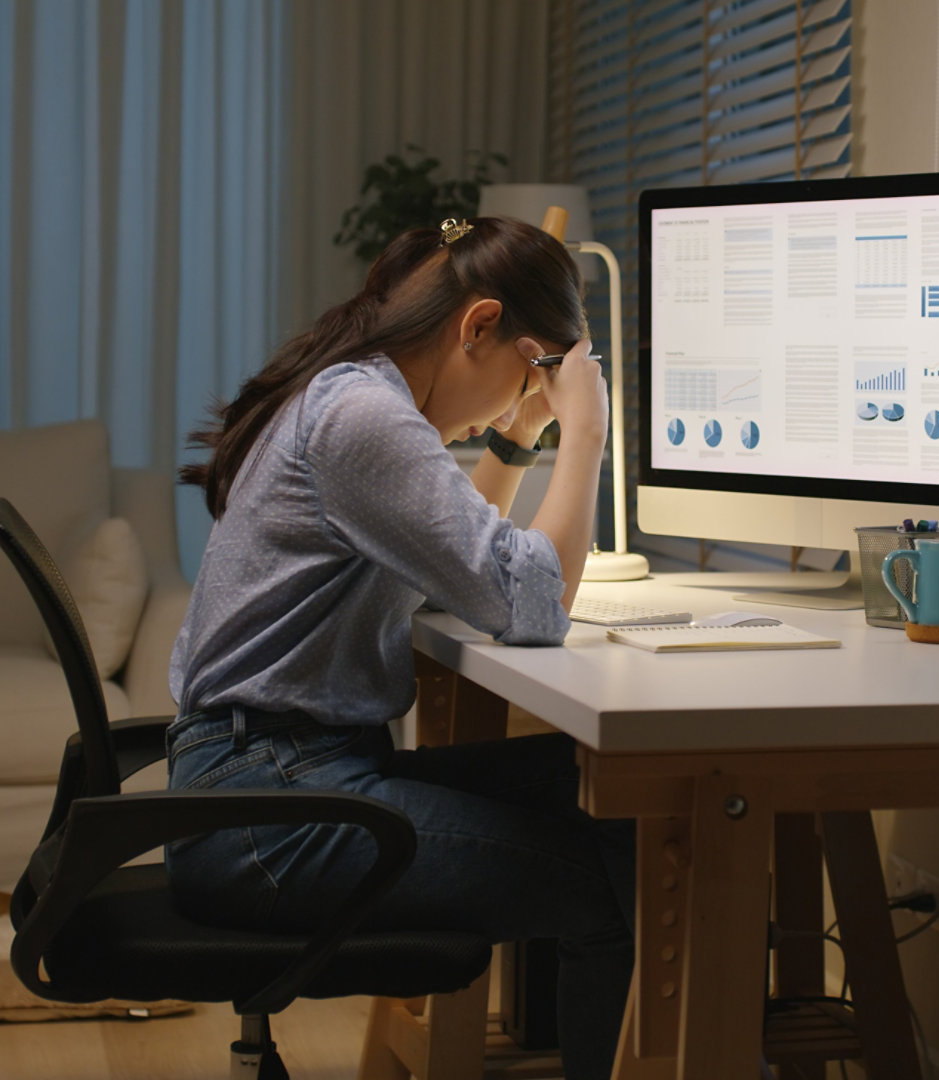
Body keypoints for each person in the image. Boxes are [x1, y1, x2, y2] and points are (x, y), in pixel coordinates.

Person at [167, 215, 634, 1078]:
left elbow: (452, 561)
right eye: (527, 375)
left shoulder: (348, 393)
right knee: (603, 886)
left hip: (275, 777)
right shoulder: (361, 416)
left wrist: (521, 433)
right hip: (268, 813)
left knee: (612, 799)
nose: (515, 399)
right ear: (478, 326)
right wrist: (589, 433)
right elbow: (531, 601)